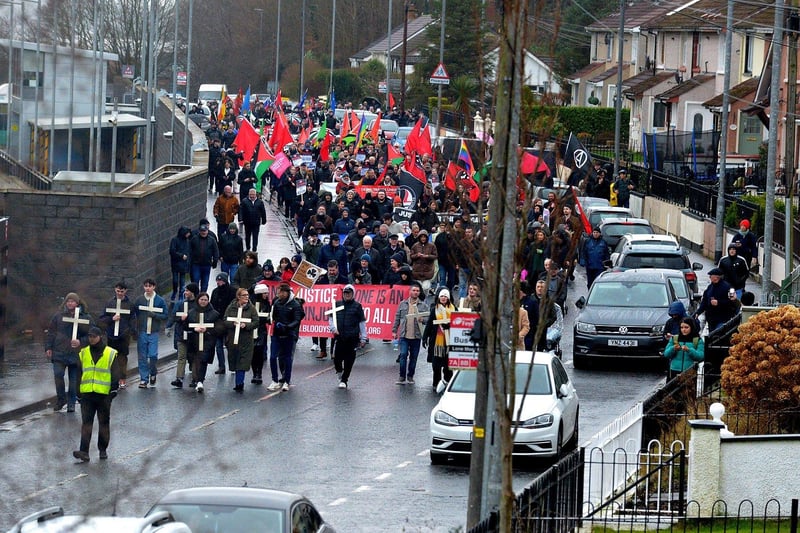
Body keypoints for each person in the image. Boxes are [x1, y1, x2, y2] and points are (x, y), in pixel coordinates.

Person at [72, 326, 124, 462]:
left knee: (104, 423)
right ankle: (84, 451)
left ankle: (102, 449)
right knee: (86, 423)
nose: (91, 339)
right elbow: (79, 374)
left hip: (104, 395)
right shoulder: (83, 353)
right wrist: (78, 392)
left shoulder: (110, 353)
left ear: (100, 337)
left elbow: (115, 373)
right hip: (87, 394)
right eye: (90, 336)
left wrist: (113, 390)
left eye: (94, 336)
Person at [45, 292, 92, 412]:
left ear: (77, 303)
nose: (70, 303)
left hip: (76, 354)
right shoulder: (58, 316)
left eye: (73, 301)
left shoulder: (85, 317)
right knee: (58, 375)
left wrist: (80, 341)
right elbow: (51, 332)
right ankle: (61, 399)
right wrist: (48, 347)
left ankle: (71, 403)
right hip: (59, 351)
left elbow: (93, 334)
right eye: (68, 301)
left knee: (74, 381)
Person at [267, 283, 305, 392]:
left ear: (286, 292)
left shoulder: (295, 304)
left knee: (287, 358)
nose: (278, 294)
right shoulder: (276, 302)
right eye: (278, 292)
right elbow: (272, 315)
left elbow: (297, 320)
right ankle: (275, 380)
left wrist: (287, 327)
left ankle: (286, 381)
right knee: (273, 357)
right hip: (276, 334)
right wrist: (270, 320)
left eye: (280, 292)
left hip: (289, 335)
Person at [328, 284, 367, 389]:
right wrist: (333, 328)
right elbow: (331, 318)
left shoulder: (357, 306)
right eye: (345, 293)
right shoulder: (337, 304)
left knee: (349, 360)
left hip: (352, 338)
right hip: (339, 337)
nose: (347, 295)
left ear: (353, 294)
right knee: (337, 359)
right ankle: (340, 372)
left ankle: (344, 380)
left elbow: (362, 322)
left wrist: (363, 337)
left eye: (349, 293)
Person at [98, 282, 135, 389]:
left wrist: (132, 331)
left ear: (125, 291)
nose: (119, 293)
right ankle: (113, 378)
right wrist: (111, 319)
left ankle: (122, 379)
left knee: (123, 358)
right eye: (118, 291)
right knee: (111, 357)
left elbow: (133, 319)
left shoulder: (130, 304)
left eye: (122, 291)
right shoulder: (109, 303)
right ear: (115, 290)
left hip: (124, 335)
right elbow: (102, 319)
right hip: (111, 335)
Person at [392, 282, 430, 385]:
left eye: (417, 291)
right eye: (414, 290)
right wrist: (394, 330)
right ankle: (401, 376)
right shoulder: (403, 304)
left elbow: (428, 318)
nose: (415, 292)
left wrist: (423, 320)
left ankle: (410, 376)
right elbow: (397, 317)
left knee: (414, 357)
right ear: (410, 292)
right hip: (404, 335)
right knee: (403, 355)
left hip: (416, 336)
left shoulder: (423, 305)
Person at [134, 278, 169, 388]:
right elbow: (135, 314)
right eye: (146, 286)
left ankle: (153, 372)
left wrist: (155, 315)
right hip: (142, 331)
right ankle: (144, 379)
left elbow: (165, 315)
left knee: (153, 355)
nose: (147, 288)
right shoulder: (140, 300)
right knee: (142, 356)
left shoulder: (160, 300)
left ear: (154, 287)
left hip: (153, 332)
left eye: (150, 286)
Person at [224, 288, 260, 393]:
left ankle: (239, 383)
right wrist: (233, 323)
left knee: (243, 362)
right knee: (235, 360)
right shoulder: (231, 307)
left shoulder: (251, 308)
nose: (246, 297)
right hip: (233, 339)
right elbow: (225, 319)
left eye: (247, 295)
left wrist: (246, 325)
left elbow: (256, 321)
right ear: (238, 297)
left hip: (246, 340)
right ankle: (238, 382)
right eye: (244, 295)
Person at [187, 291, 221, 393]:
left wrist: (207, 330)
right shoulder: (192, 312)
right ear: (198, 300)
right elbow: (186, 326)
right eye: (202, 299)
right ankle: (196, 379)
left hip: (208, 340)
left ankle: (200, 381)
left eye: (205, 300)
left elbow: (219, 327)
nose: (203, 302)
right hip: (194, 340)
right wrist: (194, 329)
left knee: (203, 360)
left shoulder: (214, 314)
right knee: (195, 360)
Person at [423, 287, 455, 393]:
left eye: (445, 296)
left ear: (448, 298)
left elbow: (457, 323)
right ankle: (436, 383)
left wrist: (449, 325)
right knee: (436, 365)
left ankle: (447, 383)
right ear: (438, 297)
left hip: (449, 341)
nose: (443, 298)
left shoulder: (454, 309)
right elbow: (429, 325)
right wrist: (425, 338)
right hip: (437, 341)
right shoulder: (434, 309)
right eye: (441, 296)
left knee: (447, 365)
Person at [169, 283, 198, 389]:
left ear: (193, 292)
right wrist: (179, 319)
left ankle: (195, 379)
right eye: (185, 290)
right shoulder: (181, 304)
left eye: (187, 291)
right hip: (182, 334)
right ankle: (179, 378)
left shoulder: (197, 305)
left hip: (193, 335)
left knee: (194, 357)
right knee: (181, 357)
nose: (185, 293)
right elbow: (174, 316)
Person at [694, 268, 740, 333]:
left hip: (723, 318)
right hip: (711, 319)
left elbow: (732, 302)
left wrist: (719, 303)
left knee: (718, 334)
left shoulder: (729, 287)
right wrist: (698, 312)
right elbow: (704, 301)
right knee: (712, 335)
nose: (709, 277)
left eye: (711, 276)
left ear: (716, 277)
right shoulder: (710, 287)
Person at [210, 272, 236, 374]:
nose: (218, 282)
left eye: (220, 280)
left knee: (230, 345)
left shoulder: (233, 291)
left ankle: (232, 365)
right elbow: (212, 305)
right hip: (218, 322)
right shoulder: (215, 292)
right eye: (217, 280)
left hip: (229, 321)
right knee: (218, 345)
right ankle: (221, 366)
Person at [251, 283, 273, 384]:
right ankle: (254, 372)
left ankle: (259, 373)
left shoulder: (266, 303)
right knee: (252, 353)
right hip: (252, 330)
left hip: (261, 331)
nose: (266, 295)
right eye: (264, 293)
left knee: (259, 353)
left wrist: (269, 319)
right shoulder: (251, 303)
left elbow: (269, 315)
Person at [189, 223, 219, 292]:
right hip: (196, 264)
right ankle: (196, 295)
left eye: (205, 231)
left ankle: (203, 294)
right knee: (195, 280)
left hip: (207, 264)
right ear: (199, 231)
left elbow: (215, 251)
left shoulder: (212, 240)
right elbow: (190, 251)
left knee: (205, 282)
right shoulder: (194, 239)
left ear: (207, 231)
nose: (203, 232)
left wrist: (215, 261)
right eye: (202, 231)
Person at [239, 188, 267, 252]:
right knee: (247, 236)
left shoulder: (260, 202)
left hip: (256, 223)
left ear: (255, 195)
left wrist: (264, 220)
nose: (252, 196)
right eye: (250, 194)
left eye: (253, 195)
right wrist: (240, 219)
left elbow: (263, 212)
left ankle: (254, 249)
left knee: (255, 236)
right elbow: (241, 210)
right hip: (247, 222)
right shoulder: (244, 201)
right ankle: (248, 248)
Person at [168, 226, 192, 301]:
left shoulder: (187, 241)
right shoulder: (175, 240)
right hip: (176, 263)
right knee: (175, 280)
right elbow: (172, 251)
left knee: (182, 281)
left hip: (183, 264)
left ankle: (181, 294)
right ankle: (175, 291)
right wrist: (181, 256)